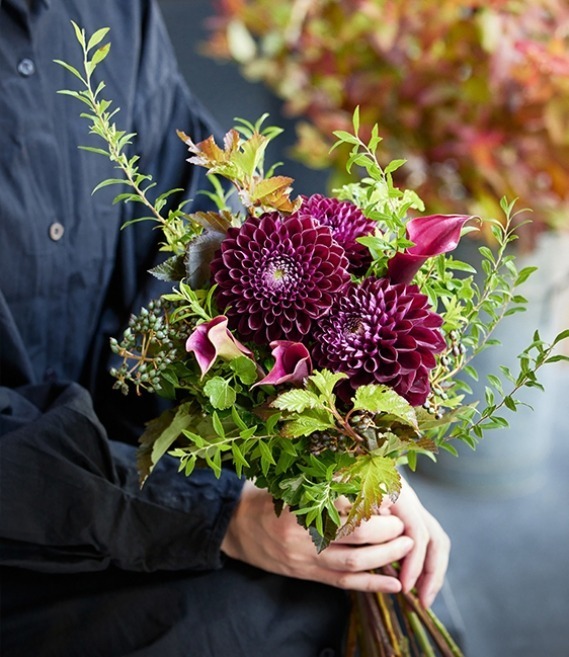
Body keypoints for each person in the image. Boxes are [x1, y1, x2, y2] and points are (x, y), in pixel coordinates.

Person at [0, 1, 450, 655]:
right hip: (37, 520)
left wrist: (339, 450)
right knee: (275, 625)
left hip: (131, 459)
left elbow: (193, 208)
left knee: (382, 574)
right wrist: (215, 514)